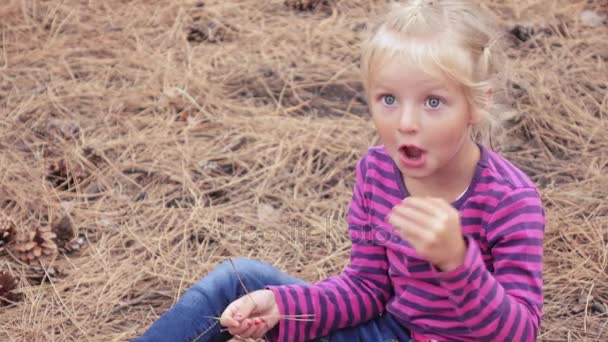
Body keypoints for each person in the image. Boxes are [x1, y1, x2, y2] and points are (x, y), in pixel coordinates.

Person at [135, 0, 545, 341]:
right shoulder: (378, 172)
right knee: (241, 280)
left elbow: (521, 332)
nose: (405, 122)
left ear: (478, 104)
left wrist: (457, 263)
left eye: (433, 102)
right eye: (388, 99)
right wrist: (283, 306)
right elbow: (366, 289)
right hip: (391, 332)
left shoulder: (509, 200)